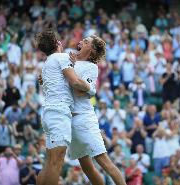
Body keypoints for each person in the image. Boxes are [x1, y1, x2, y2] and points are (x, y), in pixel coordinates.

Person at [35, 29, 93, 185]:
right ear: (57, 44)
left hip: (49, 114)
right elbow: (75, 82)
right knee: (56, 162)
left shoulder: (48, 62)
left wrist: (71, 64)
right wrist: (91, 88)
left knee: (50, 163)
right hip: (59, 114)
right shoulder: (61, 57)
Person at [68, 35, 126, 185]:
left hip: (84, 119)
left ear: (92, 50)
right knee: (86, 167)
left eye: (86, 41)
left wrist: (71, 70)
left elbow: (81, 90)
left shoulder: (91, 67)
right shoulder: (68, 61)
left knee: (104, 161)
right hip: (70, 120)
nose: (81, 41)